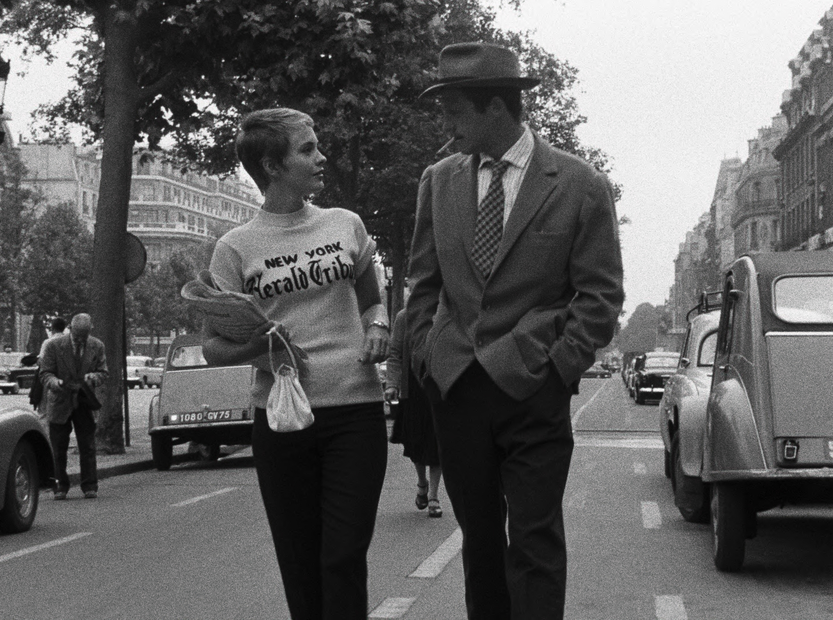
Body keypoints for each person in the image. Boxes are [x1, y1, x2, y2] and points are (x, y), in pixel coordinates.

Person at [406, 42, 624, 620]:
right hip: (456, 388)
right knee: (480, 542)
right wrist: (427, 356)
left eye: (453, 110)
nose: (445, 126)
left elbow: (601, 295)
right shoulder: (438, 181)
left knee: (534, 541)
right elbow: (422, 283)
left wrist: (560, 366)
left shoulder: (579, 184)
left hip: (533, 388)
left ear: (494, 109)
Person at [202, 108, 390, 620]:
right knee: (300, 561)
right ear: (272, 164)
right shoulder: (234, 249)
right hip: (283, 418)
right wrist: (264, 343)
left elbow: (374, 302)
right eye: (307, 149)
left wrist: (378, 329)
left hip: (356, 411)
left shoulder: (344, 225)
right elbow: (213, 349)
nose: (320, 156)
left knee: (343, 555)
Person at [40, 313, 108, 500]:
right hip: (60, 401)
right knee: (58, 448)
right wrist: (57, 383)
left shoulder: (97, 346)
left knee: (87, 446)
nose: (80, 340)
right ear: (70, 328)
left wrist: (92, 378)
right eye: (77, 335)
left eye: (83, 336)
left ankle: (90, 486)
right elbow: (45, 373)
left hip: (84, 401)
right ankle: (59, 486)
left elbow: (103, 372)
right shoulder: (54, 346)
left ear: (89, 331)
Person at [384, 307, 443, 518]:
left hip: (439, 389)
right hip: (413, 391)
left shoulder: (447, 310)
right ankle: (422, 484)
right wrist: (392, 384)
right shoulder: (404, 317)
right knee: (415, 443)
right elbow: (395, 353)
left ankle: (434, 497)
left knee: (437, 443)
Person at [30, 316, 68, 436]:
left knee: (44, 411)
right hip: (66, 379)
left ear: (52, 328)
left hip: (49, 379)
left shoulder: (48, 342)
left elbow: (42, 362)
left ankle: (46, 439)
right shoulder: (69, 341)